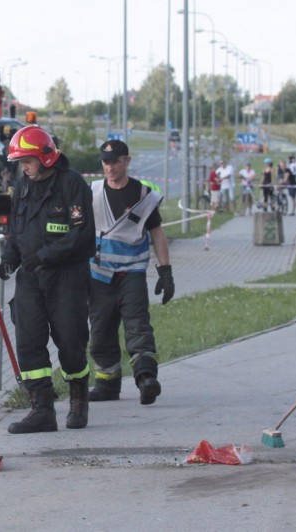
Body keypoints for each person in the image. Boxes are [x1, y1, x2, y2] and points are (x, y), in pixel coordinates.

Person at [0, 126, 96, 433]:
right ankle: (41, 409)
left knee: (70, 341)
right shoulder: (23, 185)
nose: (23, 167)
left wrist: (45, 255)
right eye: (20, 162)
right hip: (30, 277)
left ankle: (78, 397)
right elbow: (16, 227)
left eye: (27, 160)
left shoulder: (72, 184)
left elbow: (83, 237)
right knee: (29, 340)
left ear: (45, 157)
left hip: (66, 276)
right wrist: (9, 257)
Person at [87, 140, 174, 405]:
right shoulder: (92, 192)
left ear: (127, 161)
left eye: (115, 161)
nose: (110, 167)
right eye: (105, 162)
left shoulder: (143, 196)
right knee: (100, 333)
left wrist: (165, 272)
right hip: (99, 276)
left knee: (138, 329)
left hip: (132, 276)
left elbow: (157, 234)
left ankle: (146, 378)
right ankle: (107, 384)